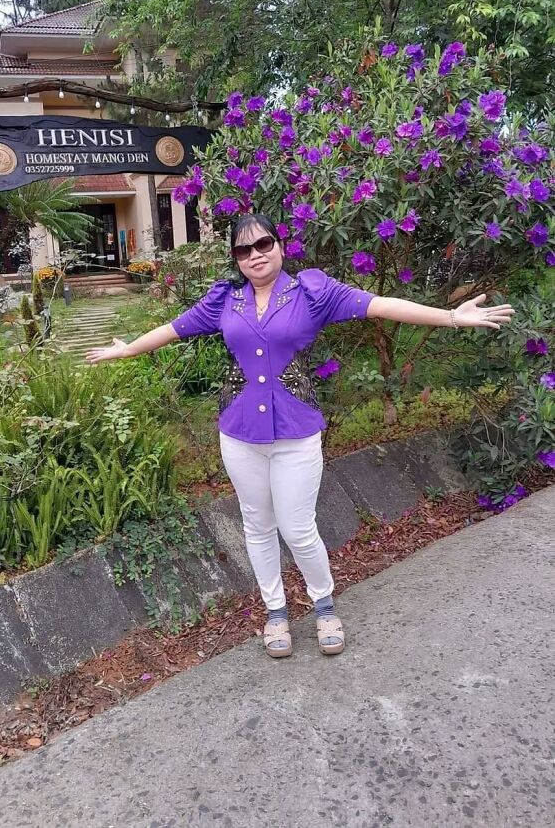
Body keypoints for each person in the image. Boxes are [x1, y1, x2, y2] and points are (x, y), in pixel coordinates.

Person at [86, 215, 514, 659]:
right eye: (242, 250)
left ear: (280, 246)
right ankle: (275, 612)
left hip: (296, 431)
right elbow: (175, 328)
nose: (254, 255)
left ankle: (324, 605)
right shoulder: (225, 300)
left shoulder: (313, 293)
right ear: (235, 258)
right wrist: (128, 348)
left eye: (263, 244)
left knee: (297, 526)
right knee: (257, 524)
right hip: (239, 432)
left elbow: (380, 303)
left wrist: (450, 317)